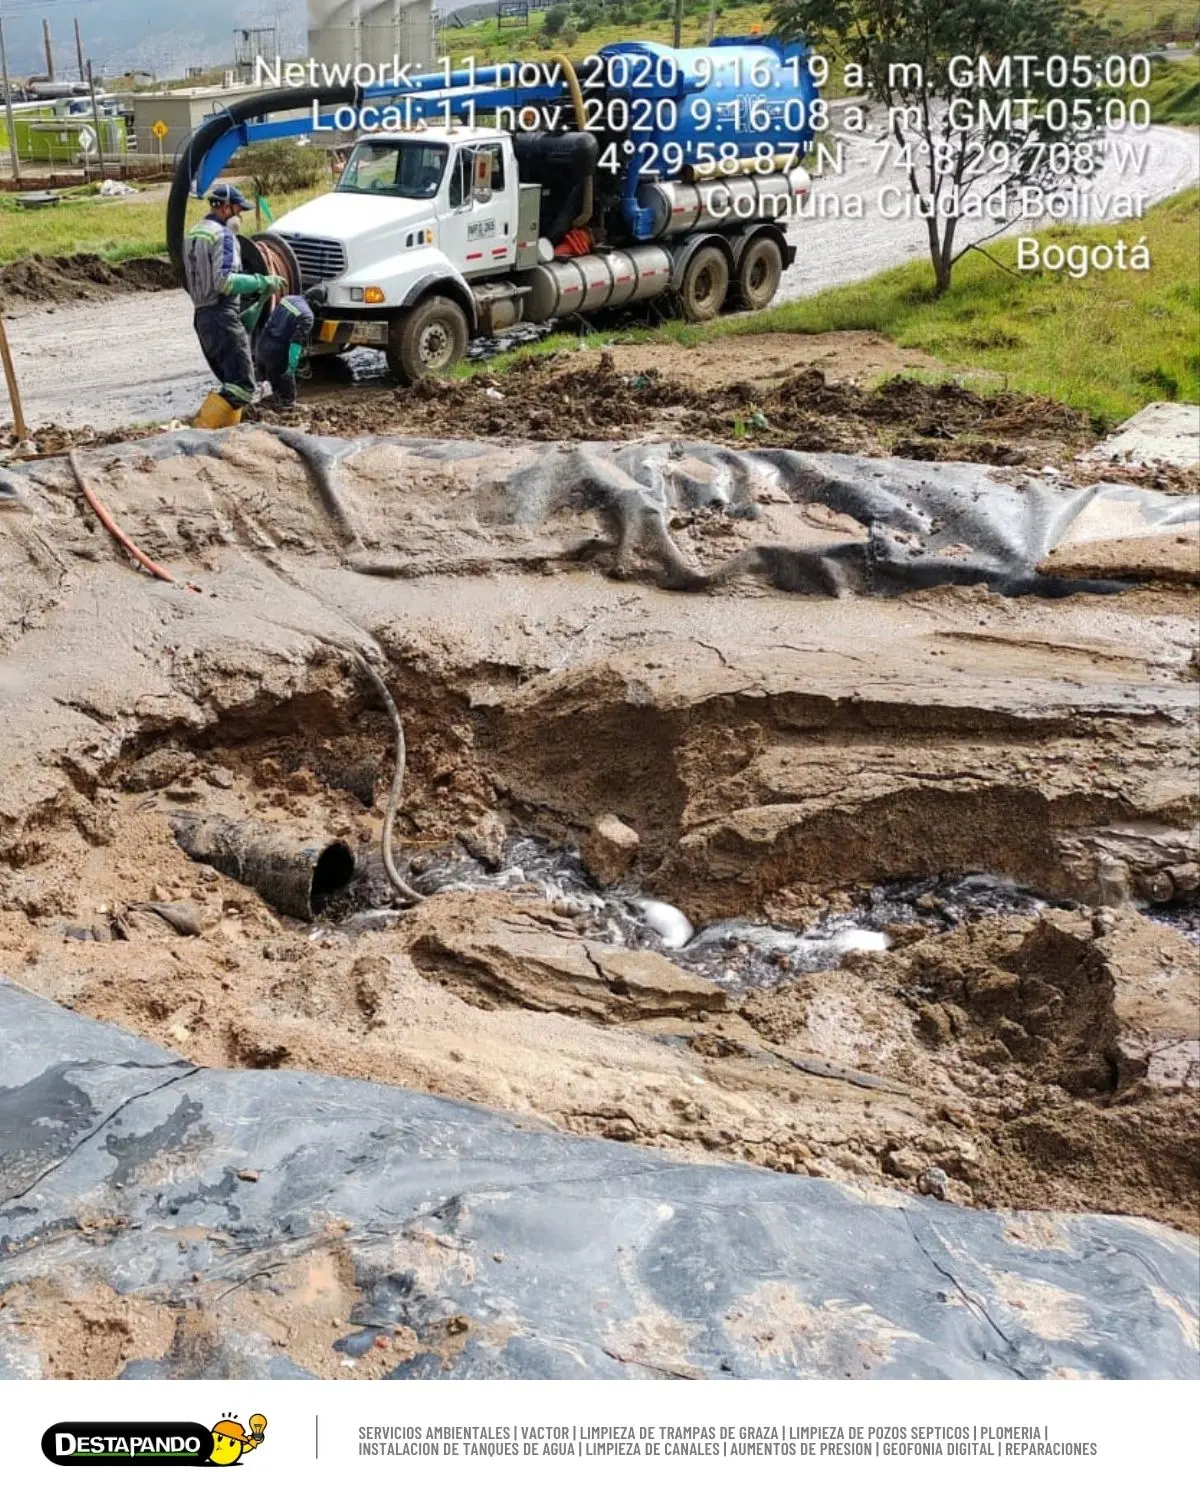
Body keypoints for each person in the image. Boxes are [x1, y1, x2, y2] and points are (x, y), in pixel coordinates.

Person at [182, 182, 284, 426]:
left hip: (202, 317)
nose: (239, 217)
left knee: (231, 381)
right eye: (238, 211)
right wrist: (261, 282)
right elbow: (225, 281)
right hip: (221, 316)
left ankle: (222, 431)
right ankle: (202, 427)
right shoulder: (224, 236)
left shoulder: (194, 233)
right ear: (226, 209)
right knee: (244, 386)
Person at [253, 292, 314, 408]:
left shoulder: (287, 299)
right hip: (276, 352)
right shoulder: (307, 316)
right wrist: (291, 367)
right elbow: (295, 345)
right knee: (287, 396)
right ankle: (286, 414)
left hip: (262, 344)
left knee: (262, 382)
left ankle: (257, 411)